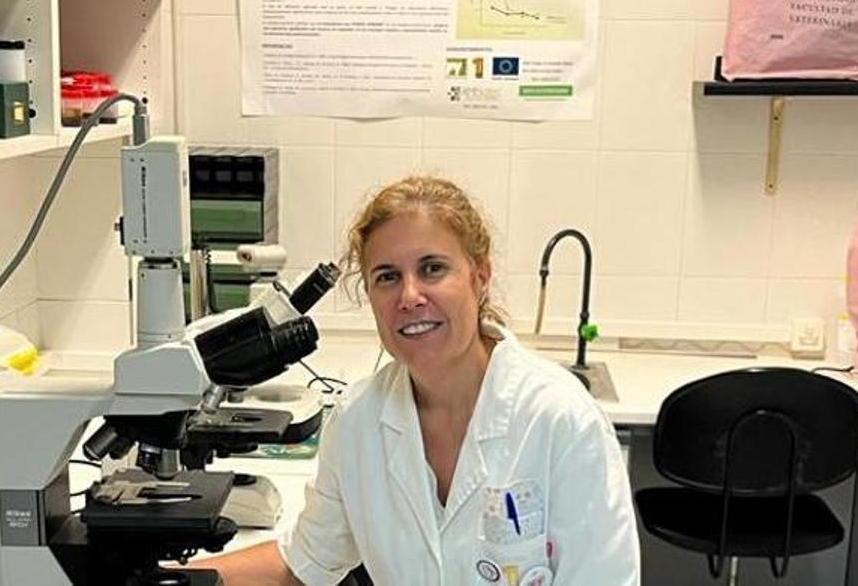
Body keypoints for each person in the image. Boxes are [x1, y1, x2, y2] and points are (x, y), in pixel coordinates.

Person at [192, 175, 640, 585]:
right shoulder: (358, 420)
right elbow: (303, 564)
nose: (409, 296)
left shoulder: (561, 420)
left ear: (479, 277)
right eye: (387, 277)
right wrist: (162, 577)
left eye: (432, 269)